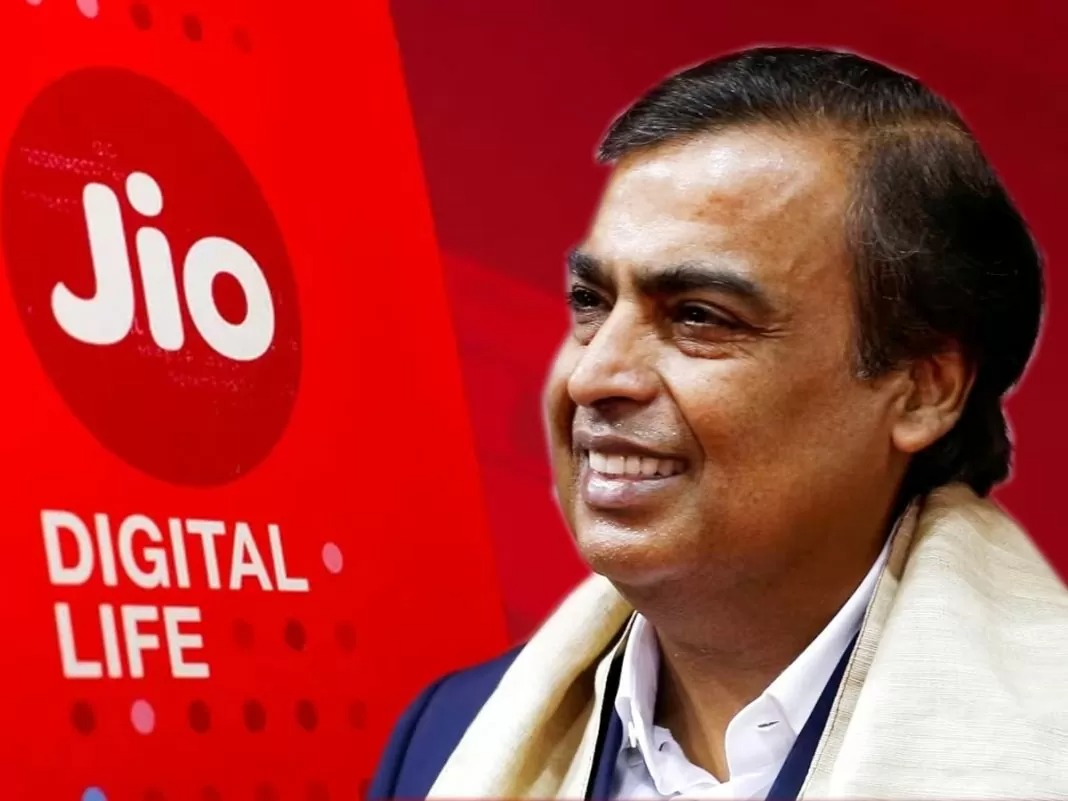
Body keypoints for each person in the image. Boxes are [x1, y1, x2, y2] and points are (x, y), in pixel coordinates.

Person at [369, 46, 1068, 800]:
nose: (594, 376)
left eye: (699, 316)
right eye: (591, 303)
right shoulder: (448, 739)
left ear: (923, 390)